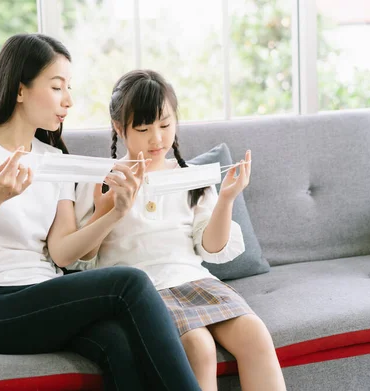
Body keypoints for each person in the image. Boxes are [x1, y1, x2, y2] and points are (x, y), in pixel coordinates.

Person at [0, 34, 201, 391]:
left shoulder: (54, 160)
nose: (68, 100)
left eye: (69, 87)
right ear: (19, 89)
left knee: (118, 341)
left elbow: (63, 251)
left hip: (43, 292)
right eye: (57, 87)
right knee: (129, 282)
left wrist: (114, 213)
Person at [73, 69, 286, 391]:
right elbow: (82, 258)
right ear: (119, 127)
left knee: (255, 334)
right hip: (143, 290)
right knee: (199, 347)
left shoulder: (192, 178)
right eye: (143, 128)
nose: (157, 139)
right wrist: (107, 211)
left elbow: (212, 249)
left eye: (165, 125)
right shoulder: (101, 180)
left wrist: (227, 199)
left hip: (193, 279)